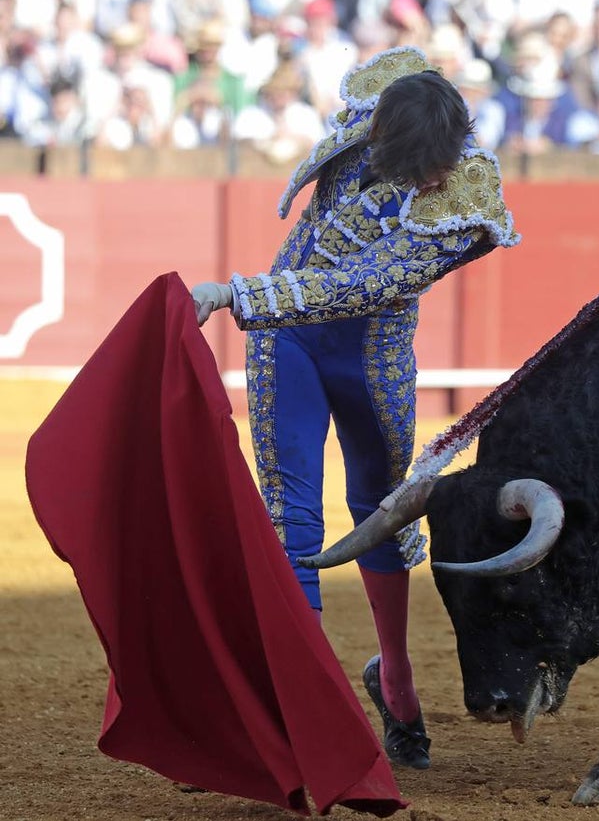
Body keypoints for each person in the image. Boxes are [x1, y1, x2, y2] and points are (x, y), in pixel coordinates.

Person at [190, 47, 520, 771]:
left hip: (369, 351)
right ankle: (305, 704)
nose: (431, 178)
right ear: (380, 140)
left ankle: (395, 675)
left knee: (380, 506)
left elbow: (357, 288)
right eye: (415, 165)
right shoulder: (369, 121)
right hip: (287, 345)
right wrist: (258, 304)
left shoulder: (465, 200)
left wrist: (237, 295)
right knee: (292, 512)